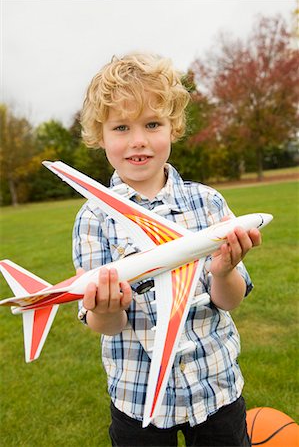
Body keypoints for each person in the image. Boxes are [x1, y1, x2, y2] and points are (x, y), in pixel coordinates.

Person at [73, 52, 261, 447]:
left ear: (173, 128)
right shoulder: (94, 218)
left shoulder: (208, 204)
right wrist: (105, 309)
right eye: (121, 127)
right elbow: (104, 326)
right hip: (137, 399)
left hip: (216, 389)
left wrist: (225, 271)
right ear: (100, 136)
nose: (138, 140)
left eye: (152, 124)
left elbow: (229, 301)